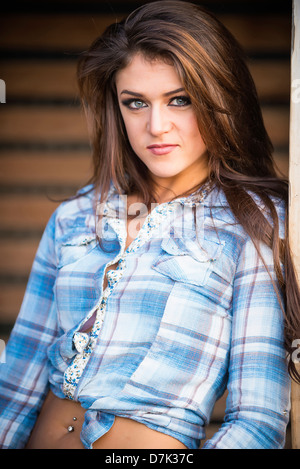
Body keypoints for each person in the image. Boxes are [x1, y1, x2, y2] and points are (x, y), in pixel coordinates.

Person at [0, 0, 299, 450]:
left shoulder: (255, 223)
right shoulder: (75, 217)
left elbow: (256, 421)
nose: (156, 125)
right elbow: (17, 385)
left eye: (180, 100)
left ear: (220, 97)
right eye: (135, 103)